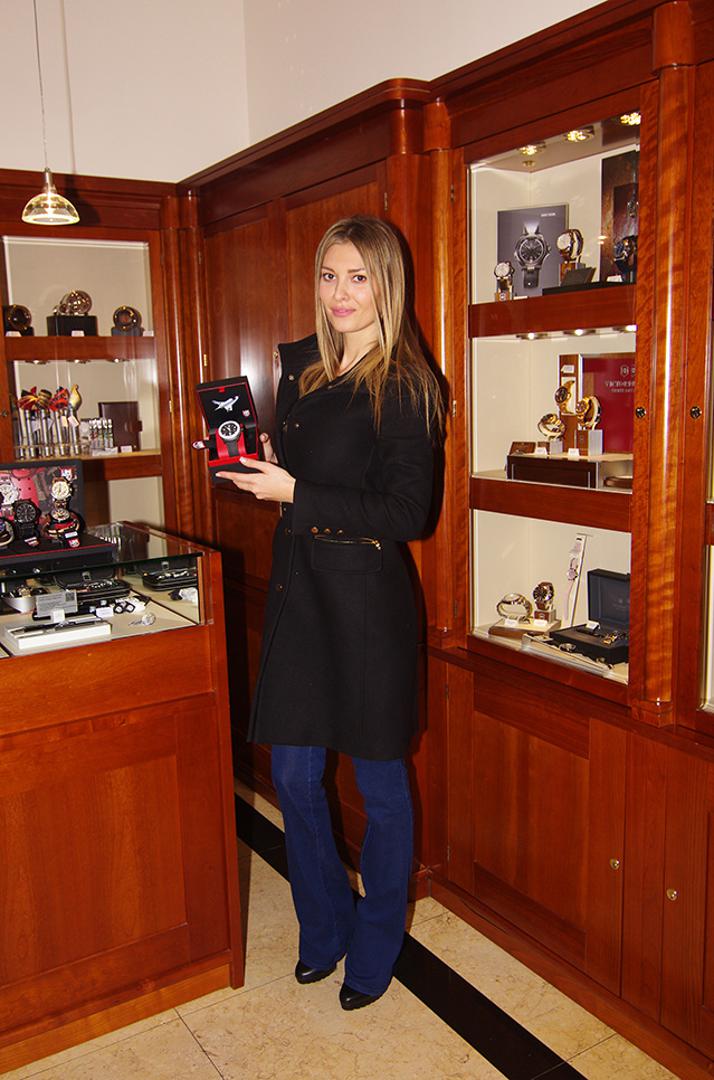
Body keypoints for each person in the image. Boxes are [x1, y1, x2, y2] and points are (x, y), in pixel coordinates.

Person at [218, 214, 442, 1010]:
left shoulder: (407, 382)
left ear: (386, 284)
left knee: (380, 787)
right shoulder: (306, 370)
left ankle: (375, 946)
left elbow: (409, 512)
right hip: (301, 599)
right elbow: (313, 479)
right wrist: (271, 471)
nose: (340, 293)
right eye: (329, 275)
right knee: (292, 775)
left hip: (367, 611)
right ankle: (324, 928)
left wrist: (298, 493)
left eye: (357, 276)